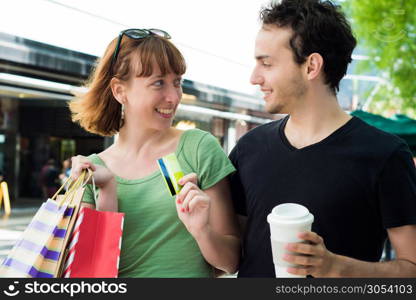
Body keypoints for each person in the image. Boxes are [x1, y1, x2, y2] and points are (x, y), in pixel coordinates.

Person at [229, 0, 416, 277]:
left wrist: (335, 267)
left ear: (311, 66)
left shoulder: (385, 155)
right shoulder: (248, 148)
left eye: (266, 63)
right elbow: (231, 255)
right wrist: (200, 223)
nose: (254, 77)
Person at [69, 28, 240, 277]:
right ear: (119, 91)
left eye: (177, 82)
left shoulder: (197, 147)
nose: (173, 97)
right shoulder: (93, 170)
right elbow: (96, 273)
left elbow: (231, 262)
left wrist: (202, 231)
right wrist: (107, 189)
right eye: (158, 83)